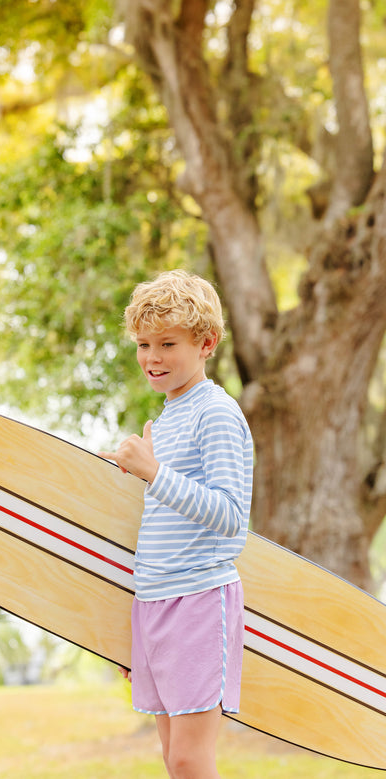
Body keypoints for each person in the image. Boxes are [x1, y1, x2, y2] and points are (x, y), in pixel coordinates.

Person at [99, 270, 253, 779]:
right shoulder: (165, 420)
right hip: (154, 601)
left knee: (190, 760)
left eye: (168, 344)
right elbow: (163, 517)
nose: (152, 358)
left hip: (198, 601)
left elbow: (231, 517)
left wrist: (154, 472)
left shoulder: (217, 413)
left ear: (206, 343)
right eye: (144, 344)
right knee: (172, 760)